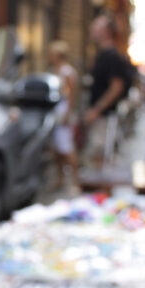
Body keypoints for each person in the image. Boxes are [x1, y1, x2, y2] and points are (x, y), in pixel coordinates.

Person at [83, 14, 133, 167]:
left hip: (105, 118)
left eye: (97, 26)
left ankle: (103, 191)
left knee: (102, 161)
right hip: (101, 117)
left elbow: (117, 87)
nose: (92, 28)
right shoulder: (102, 55)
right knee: (97, 160)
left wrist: (97, 110)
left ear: (106, 31)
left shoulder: (111, 56)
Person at [48, 40, 80, 192]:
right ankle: (60, 178)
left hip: (63, 111)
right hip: (57, 111)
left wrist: (68, 113)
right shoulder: (58, 70)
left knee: (66, 147)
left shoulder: (67, 72)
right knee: (57, 148)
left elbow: (72, 95)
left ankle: (75, 181)